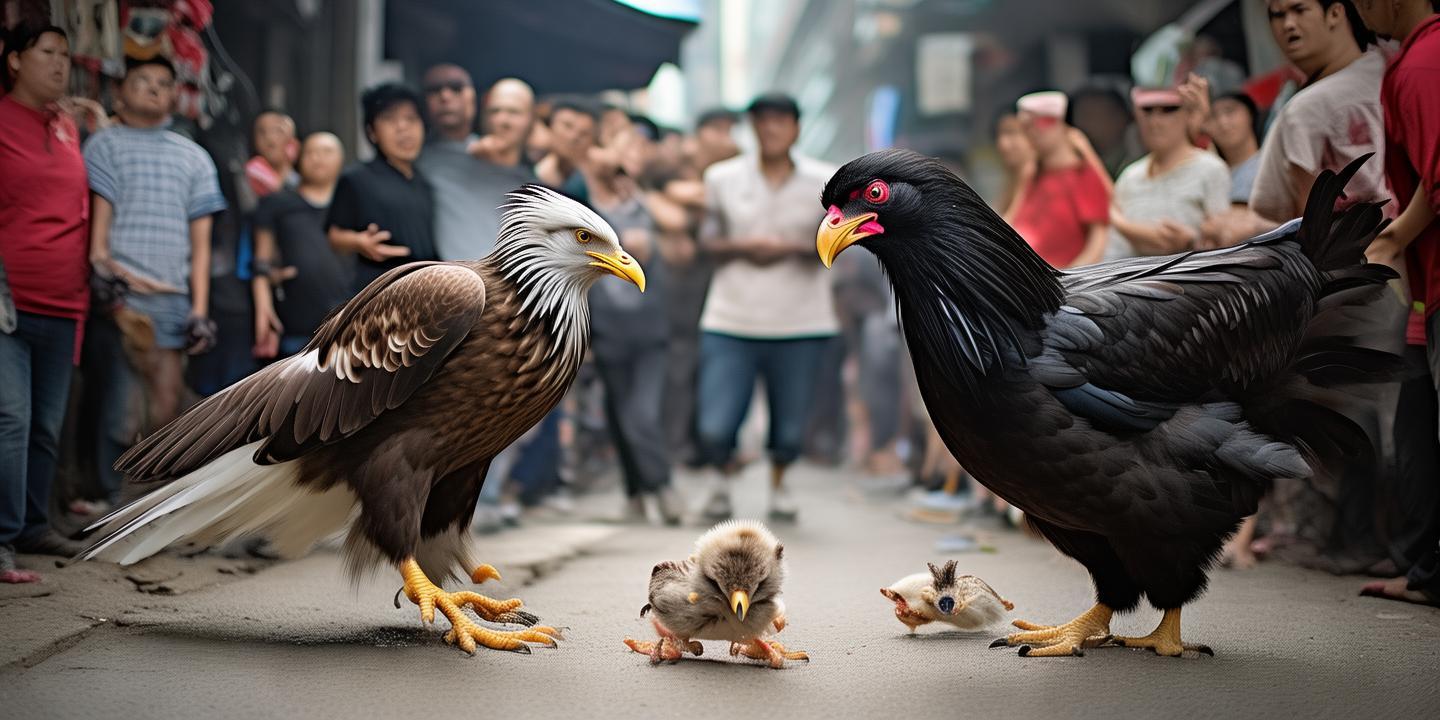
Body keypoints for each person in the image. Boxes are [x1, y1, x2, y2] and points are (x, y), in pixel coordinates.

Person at [83, 55, 227, 507]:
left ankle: (144, 503)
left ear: (173, 96)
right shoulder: (103, 146)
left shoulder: (194, 156)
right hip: (122, 294)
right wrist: (102, 268)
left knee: (164, 406)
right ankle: (108, 501)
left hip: (173, 298)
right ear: (120, 90)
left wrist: (199, 310)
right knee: (120, 407)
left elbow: (201, 247)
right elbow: (97, 232)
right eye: (142, 80)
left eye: (163, 83)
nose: (153, 89)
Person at [694, 93, 839, 523]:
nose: (771, 128)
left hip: (803, 319)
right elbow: (706, 239)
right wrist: (744, 246)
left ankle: (780, 484)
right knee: (716, 423)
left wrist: (791, 248)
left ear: (796, 127)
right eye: (763, 121)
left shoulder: (825, 179)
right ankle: (719, 484)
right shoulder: (721, 177)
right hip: (730, 317)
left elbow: (839, 240)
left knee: (791, 425)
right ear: (752, 127)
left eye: (781, 121)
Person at [1353, 0, 1440, 606]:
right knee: (1417, 424)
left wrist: (1391, 241)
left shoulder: (1424, 64)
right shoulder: (1412, 60)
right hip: (1426, 290)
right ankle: (1427, 570)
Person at [0, 24, 92, 579]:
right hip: (9, 298)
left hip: (65, 301)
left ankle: (34, 525)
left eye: (65, 55)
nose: (60, 65)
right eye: (47, 53)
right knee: (10, 418)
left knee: (44, 426)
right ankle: (3, 539)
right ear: (13, 60)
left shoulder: (67, 128)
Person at [586, 116, 681, 525]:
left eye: (638, 151)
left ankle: (662, 487)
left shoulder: (649, 204)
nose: (630, 158)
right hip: (605, 330)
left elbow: (677, 228)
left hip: (649, 333)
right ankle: (635, 495)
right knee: (619, 414)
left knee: (640, 414)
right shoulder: (584, 207)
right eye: (623, 150)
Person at [417, 65, 535, 261]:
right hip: (457, 281)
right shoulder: (422, 160)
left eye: (456, 88)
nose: (445, 96)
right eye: (495, 111)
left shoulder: (530, 176)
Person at [326, 83, 435, 294]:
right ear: (372, 132)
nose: (402, 127)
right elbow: (334, 236)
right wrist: (359, 242)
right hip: (378, 296)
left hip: (425, 295)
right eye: (389, 119)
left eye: (411, 119)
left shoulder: (425, 182)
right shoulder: (356, 178)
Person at [251, 132, 350, 359]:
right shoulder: (276, 204)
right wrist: (263, 311)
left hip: (350, 326)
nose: (318, 158)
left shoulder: (357, 204)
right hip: (295, 326)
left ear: (342, 159)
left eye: (327, 151)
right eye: (310, 152)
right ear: (299, 160)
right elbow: (260, 263)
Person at [1107, 86, 1231, 259]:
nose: (1155, 121)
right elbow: (1115, 250)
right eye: (1147, 111)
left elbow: (1226, 247)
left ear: (1188, 115)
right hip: (1131, 281)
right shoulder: (1129, 176)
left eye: (1168, 110)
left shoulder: (1210, 169)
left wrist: (1192, 243)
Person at [1008, 91, 1111, 269]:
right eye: (1025, 127)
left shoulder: (1082, 173)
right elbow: (1012, 220)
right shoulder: (1031, 172)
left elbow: (1097, 243)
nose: (1030, 134)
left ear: (1057, 123)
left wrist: (1067, 282)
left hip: (1061, 282)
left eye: (1036, 124)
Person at [534, 97, 599, 201]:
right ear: (550, 126)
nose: (573, 137)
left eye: (584, 133)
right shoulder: (528, 170)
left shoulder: (592, 182)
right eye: (567, 126)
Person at [1206, 91, 1263, 207]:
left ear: (1250, 114)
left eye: (1230, 111)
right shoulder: (1211, 172)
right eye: (1213, 116)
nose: (1223, 122)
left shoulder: (1268, 164)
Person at [244, 110, 298, 203]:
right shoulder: (247, 179)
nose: (269, 138)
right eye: (262, 132)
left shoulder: (305, 182)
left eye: (278, 131)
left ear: (292, 142)